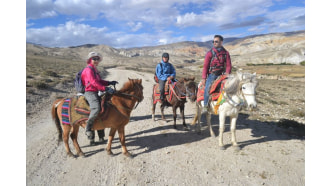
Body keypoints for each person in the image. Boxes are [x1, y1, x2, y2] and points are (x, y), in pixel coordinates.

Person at [81, 52, 118, 141]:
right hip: (90, 92)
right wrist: (105, 88)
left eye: (97, 59)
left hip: (96, 91)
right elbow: (93, 82)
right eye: (94, 59)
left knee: (106, 107)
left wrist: (109, 82)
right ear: (90, 60)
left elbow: (99, 81)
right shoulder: (88, 70)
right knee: (96, 108)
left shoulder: (94, 69)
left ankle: (101, 134)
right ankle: (88, 128)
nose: (96, 60)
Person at [201, 35, 232, 114]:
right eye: (213, 41)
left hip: (222, 74)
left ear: (221, 42)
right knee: (207, 88)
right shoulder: (210, 53)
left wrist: (227, 74)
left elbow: (228, 65)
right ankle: (205, 105)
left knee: (231, 87)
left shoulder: (226, 53)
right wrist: (204, 78)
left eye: (216, 41)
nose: (214, 43)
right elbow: (205, 66)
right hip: (212, 74)